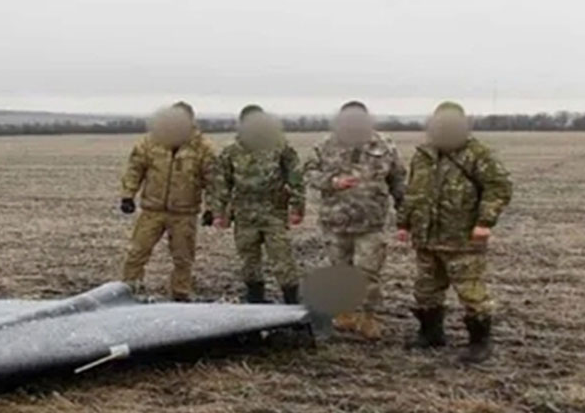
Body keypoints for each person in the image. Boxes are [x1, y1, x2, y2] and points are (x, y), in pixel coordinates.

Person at [396, 101, 513, 362]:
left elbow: (499, 187)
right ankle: (430, 333)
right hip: (426, 238)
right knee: (426, 289)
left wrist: (485, 222)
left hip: (462, 238)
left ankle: (480, 343)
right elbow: (413, 192)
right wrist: (403, 223)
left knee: (471, 292)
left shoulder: (477, 154)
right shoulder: (423, 155)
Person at [302, 101, 406, 339]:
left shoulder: (384, 146)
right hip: (335, 222)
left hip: (371, 222)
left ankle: (369, 318)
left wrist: (404, 216)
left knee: (368, 273)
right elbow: (309, 173)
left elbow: (398, 180)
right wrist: (332, 182)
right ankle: (345, 314)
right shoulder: (325, 146)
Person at [119, 101, 217, 301]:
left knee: (183, 259)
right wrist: (128, 195)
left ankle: (180, 294)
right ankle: (129, 291)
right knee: (137, 253)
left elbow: (214, 180)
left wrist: (212, 208)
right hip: (152, 210)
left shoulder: (203, 148)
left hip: (184, 213)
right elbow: (135, 169)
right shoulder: (150, 142)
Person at [211, 105, 305, 304]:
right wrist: (218, 213)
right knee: (249, 261)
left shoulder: (280, 146)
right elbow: (221, 183)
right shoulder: (232, 151)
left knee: (282, 259)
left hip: (273, 213)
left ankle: (292, 303)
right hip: (245, 215)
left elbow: (295, 177)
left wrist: (297, 207)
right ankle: (255, 301)